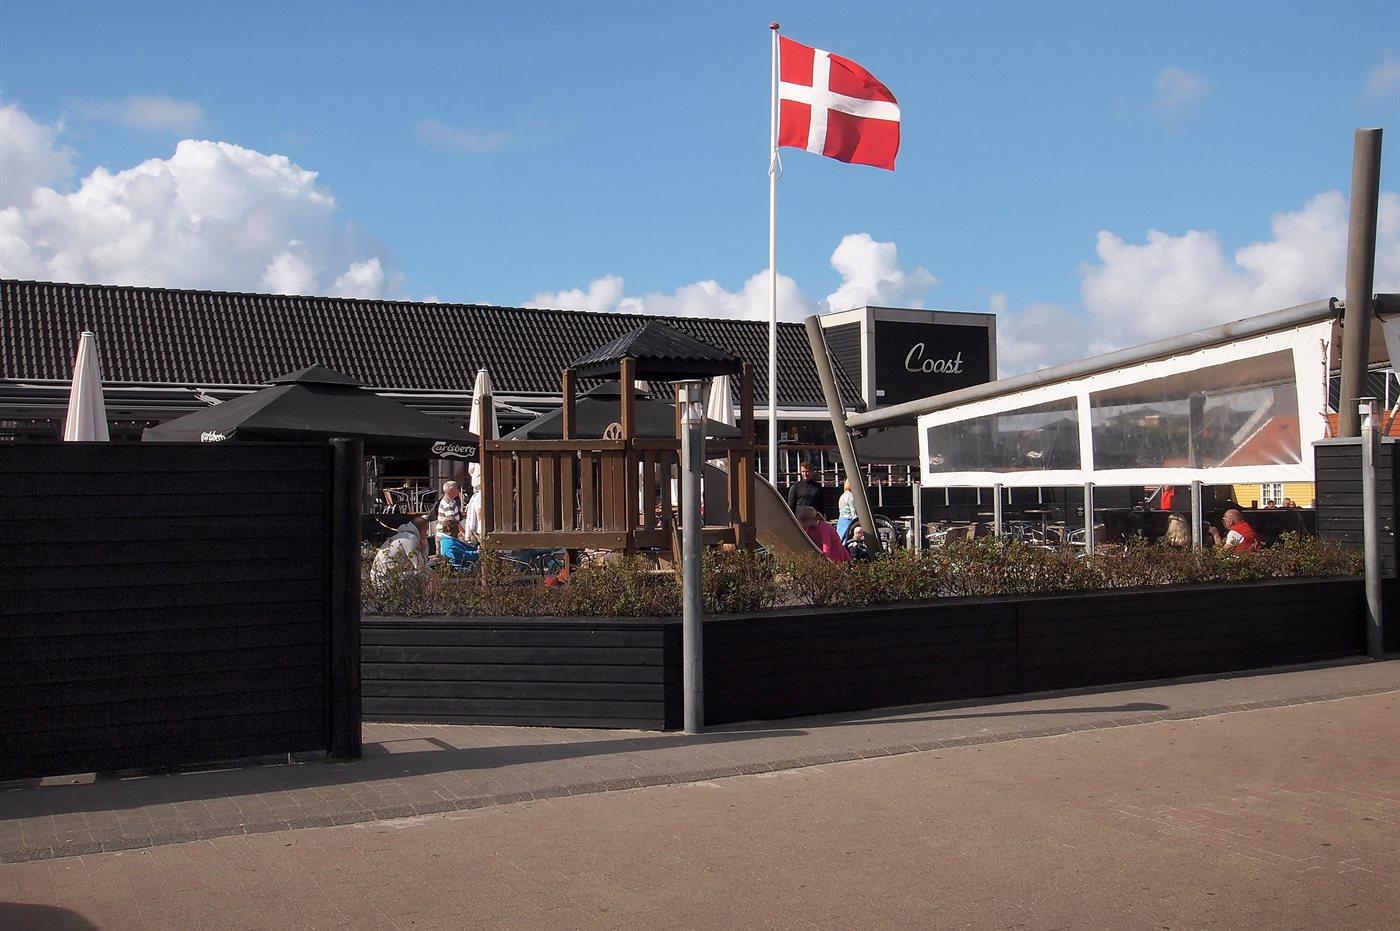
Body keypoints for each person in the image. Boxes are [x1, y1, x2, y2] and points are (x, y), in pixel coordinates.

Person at [371, 516, 429, 582]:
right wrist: (425, 547)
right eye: (426, 530)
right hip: (384, 579)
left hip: (379, 576)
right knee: (427, 573)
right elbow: (421, 567)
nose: (427, 534)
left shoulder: (403, 536)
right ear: (423, 530)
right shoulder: (411, 539)